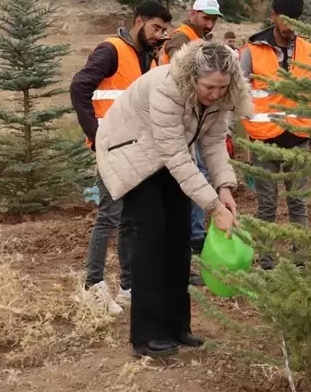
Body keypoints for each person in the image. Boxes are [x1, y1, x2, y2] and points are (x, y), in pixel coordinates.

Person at [95, 40, 250, 357]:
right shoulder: (169, 88)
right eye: (209, 87)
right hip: (132, 153)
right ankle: (146, 335)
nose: (215, 94)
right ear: (193, 77)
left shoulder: (221, 96)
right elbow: (176, 155)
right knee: (152, 237)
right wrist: (213, 207)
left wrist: (224, 188)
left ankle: (178, 327)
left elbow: (214, 141)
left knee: (179, 238)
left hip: (167, 154)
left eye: (222, 87)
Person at [70, 1, 172, 315]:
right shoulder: (111, 50)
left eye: (164, 30)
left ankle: (129, 288)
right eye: (156, 27)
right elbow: (79, 87)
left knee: (130, 221)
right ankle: (93, 284)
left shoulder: (151, 60)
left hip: (138, 152)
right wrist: (97, 135)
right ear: (138, 21)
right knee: (109, 216)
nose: (160, 34)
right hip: (112, 149)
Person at [241, 0, 311, 229]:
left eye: (295, 20)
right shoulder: (252, 51)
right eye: (285, 19)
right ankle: (267, 264)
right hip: (264, 140)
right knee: (267, 205)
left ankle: (300, 263)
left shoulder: (310, 51)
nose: (290, 26)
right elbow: (238, 91)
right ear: (273, 15)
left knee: (298, 203)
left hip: (298, 137)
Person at [161, 0, 225, 272]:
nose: (210, 23)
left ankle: (194, 236)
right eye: (206, 17)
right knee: (194, 173)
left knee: (203, 172)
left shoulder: (203, 40)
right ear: (193, 13)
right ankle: (192, 240)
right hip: (178, 117)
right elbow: (178, 77)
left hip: (196, 117)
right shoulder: (181, 39)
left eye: (213, 19)